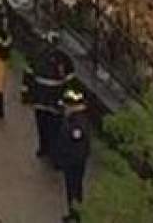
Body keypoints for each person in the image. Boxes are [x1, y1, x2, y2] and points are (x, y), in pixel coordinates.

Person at [23, 30, 75, 158]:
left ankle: (53, 153)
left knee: (55, 128)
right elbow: (29, 74)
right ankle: (44, 148)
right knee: (43, 125)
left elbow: (69, 79)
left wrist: (67, 99)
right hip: (42, 97)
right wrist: (26, 93)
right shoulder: (38, 54)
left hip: (53, 98)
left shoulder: (63, 58)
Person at [54, 84, 91, 221]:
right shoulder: (74, 119)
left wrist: (65, 157)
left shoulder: (77, 122)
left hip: (74, 161)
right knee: (72, 188)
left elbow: (76, 140)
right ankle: (73, 213)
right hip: (72, 159)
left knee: (74, 188)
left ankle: (76, 215)